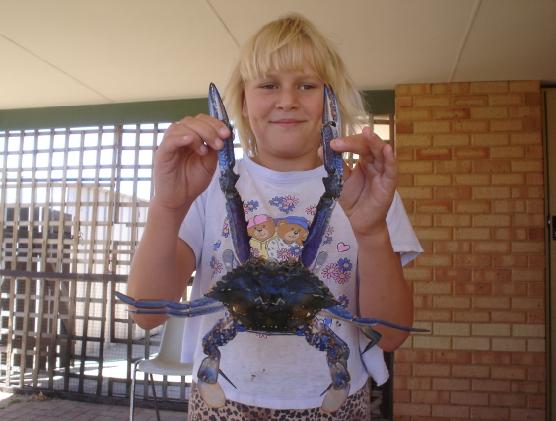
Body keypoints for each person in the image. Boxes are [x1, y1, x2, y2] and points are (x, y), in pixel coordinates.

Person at [127, 13, 422, 421]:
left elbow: (390, 335)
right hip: (221, 399)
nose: (287, 100)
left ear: (330, 101)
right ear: (243, 102)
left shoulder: (367, 191)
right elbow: (147, 312)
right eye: (268, 85)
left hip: (335, 402)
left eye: (307, 85)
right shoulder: (206, 183)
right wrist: (167, 205)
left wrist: (372, 232)